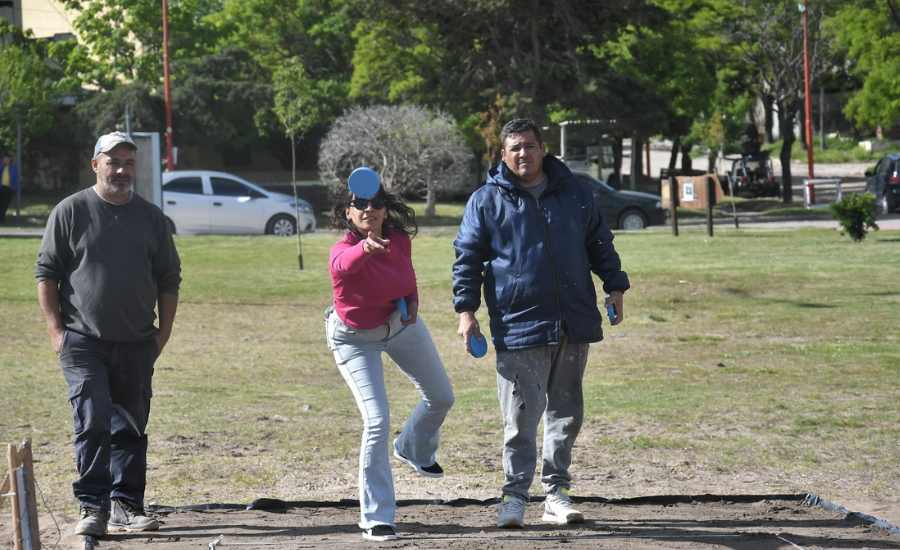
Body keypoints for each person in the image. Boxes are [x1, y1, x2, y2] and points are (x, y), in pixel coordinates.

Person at [452, 118, 630, 528]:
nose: (523, 154)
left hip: (573, 321)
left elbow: (600, 243)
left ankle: (556, 494)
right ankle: (513, 498)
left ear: (542, 149)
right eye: (514, 147)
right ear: (502, 154)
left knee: (566, 413)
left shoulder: (576, 193)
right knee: (520, 419)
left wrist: (615, 286)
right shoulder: (485, 201)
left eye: (530, 146)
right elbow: (467, 259)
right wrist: (466, 312)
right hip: (518, 326)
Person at [35, 132, 181, 537]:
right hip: (82, 340)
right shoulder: (70, 211)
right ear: (95, 164)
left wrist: (162, 335)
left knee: (131, 425)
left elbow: (169, 279)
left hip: (137, 341)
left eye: (128, 163)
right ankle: (92, 505)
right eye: (113, 161)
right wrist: (55, 332)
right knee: (93, 420)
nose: (121, 170)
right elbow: (46, 273)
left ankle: (127, 505)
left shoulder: (151, 217)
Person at [325, 173, 454, 542]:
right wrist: (365, 249)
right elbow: (343, 267)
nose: (370, 209)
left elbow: (407, 280)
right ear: (348, 212)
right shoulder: (341, 249)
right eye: (361, 205)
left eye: (376, 204)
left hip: (398, 324)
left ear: (384, 209)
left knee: (442, 397)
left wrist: (413, 302)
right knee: (377, 421)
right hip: (353, 339)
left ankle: (411, 446)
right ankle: (376, 518)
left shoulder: (398, 240)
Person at [0, 154, 19, 223]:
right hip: (1, 187)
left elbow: (15, 177)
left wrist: (15, 187)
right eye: (5, 159)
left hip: (9, 188)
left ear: (10, 160)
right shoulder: (1, 166)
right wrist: (2, 164)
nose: (6, 160)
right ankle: (1, 218)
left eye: (7, 159)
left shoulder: (13, 167)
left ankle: (2, 218)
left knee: (5, 204)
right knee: (1, 203)